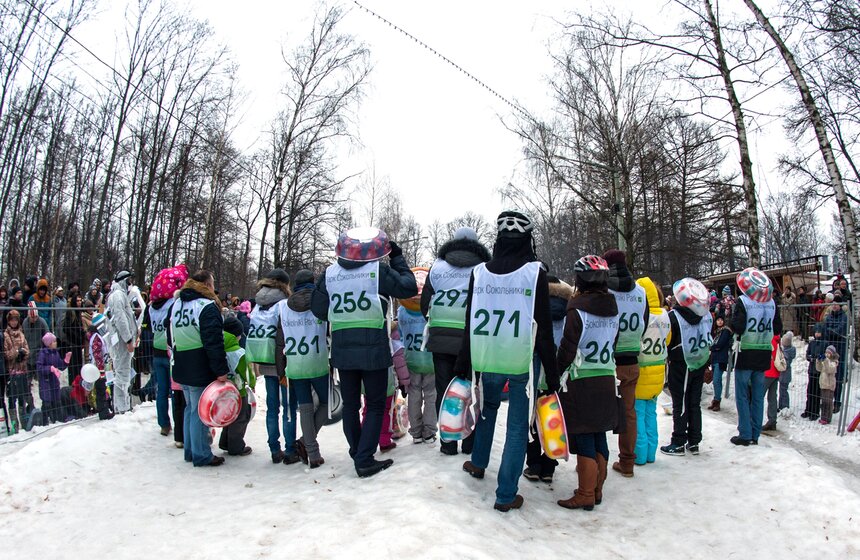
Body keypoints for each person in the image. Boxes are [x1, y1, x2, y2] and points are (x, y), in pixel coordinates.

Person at [454, 210, 559, 512]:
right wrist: (551, 375)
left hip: (488, 356)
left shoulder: (480, 272)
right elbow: (544, 327)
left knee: (487, 409)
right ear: (527, 239)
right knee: (516, 426)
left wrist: (464, 362)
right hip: (522, 360)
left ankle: (477, 462)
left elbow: (469, 320)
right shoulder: (534, 272)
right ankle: (505, 494)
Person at [312, 227, 418, 478]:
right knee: (375, 404)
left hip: (342, 349)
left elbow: (317, 308)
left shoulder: (329, 274)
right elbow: (409, 287)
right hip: (374, 349)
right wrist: (397, 259)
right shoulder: (377, 271)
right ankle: (364, 458)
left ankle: (357, 450)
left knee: (350, 404)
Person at [556, 255, 619, 511]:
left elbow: (568, 347)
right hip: (605, 377)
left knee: (583, 435)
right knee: (599, 433)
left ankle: (584, 494)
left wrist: (554, 373)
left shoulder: (577, 309)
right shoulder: (613, 309)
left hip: (582, 380)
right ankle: (597, 489)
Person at [421, 226, 490, 456]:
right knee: (470, 390)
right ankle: (469, 442)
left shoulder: (437, 267)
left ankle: (448, 442)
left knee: (443, 389)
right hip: (471, 339)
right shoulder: (483, 268)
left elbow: (425, 303)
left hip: (441, 338)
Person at [168, 269, 229, 467]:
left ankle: (190, 450)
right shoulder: (206, 306)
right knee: (199, 411)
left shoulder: (177, 304)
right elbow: (213, 341)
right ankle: (202, 453)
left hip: (180, 361)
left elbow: (170, 335)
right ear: (207, 285)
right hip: (199, 364)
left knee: (189, 408)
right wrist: (220, 369)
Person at [603, 249, 648, 477]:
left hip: (605, 360)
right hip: (631, 358)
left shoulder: (603, 288)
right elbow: (644, 321)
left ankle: (595, 463)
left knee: (599, 411)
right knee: (629, 412)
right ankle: (627, 462)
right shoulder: (640, 292)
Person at [279, 269, 330, 468]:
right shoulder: (320, 303)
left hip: (295, 363)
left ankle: (312, 452)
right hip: (317, 361)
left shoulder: (284, 307)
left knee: (306, 408)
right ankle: (306, 443)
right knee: (327, 404)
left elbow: (279, 340)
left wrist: (281, 368)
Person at [524, 274, 573, 483]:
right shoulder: (568, 312)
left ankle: (533, 464)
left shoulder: (533, 307)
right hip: (557, 374)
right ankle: (549, 465)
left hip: (534, 371)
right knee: (553, 417)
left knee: (532, 417)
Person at [250, 268, 299, 465]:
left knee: (272, 407)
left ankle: (274, 449)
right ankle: (289, 450)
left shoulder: (257, 303)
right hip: (283, 362)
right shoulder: (284, 304)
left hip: (264, 358)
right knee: (288, 407)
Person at [660, 278, 712, 456]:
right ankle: (694, 441)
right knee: (694, 403)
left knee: (680, 403)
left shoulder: (674, 317)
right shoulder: (706, 315)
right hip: (700, 360)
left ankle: (679, 441)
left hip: (681, 363)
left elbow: (667, 341)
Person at [730, 268, 782, 446]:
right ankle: (755, 433)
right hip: (763, 353)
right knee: (758, 396)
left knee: (743, 395)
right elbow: (778, 327)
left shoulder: (743, 302)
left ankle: (744, 433)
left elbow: (737, 326)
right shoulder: (772, 303)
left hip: (746, 352)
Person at [147, 264, 189, 436]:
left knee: (162, 390)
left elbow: (148, 327)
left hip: (156, 351)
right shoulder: (174, 303)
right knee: (177, 391)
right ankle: (180, 424)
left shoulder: (150, 306)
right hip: (171, 351)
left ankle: (164, 423)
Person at [633, 277, 669, 465]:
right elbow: (667, 340)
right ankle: (651, 453)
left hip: (642, 371)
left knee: (638, 413)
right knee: (651, 414)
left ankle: (639, 453)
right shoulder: (665, 315)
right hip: (658, 370)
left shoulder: (641, 317)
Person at [398, 276, 437, 445]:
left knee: (413, 394)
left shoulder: (401, 311)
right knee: (431, 395)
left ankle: (416, 433)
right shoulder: (430, 310)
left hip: (410, 359)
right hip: (430, 359)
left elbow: (399, 334)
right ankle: (429, 432)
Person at [219, 315, 254, 456]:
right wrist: (252, 383)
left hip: (222, 391)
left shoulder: (219, 347)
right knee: (240, 418)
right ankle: (236, 446)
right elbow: (246, 372)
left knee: (228, 416)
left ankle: (224, 442)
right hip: (238, 391)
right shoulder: (238, 353)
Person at [105, 271, 138, 414]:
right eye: (129, 280)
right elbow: (120, 319)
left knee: (123, 373)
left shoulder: (119, 295)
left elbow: (127, 317)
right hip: (121, 343)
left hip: (122, 341)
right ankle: (121, 408)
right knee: (122, 374)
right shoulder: (117, 296)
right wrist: (128, 339)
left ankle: (123, 405)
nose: (130, 284)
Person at [4, 310, 33, 432]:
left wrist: (23, 353)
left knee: (22, 397)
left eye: (16, 319)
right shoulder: (5, 335)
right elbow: (5, 353)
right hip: (12, 371)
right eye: (12, 320)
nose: (14, 322)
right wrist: (16, 353)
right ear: (8, 321)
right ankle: (14, 425)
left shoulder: (21, 334)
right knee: (12, 398)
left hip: (22, 370)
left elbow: (27, 349)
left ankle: (24, 423)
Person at [36, 332, 69, 423]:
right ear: (49, 344)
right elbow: (39, 367)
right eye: (54, 341)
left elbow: (60, 365)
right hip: (45, 382)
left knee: (56, 401)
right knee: (47, 403)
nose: (56, 343)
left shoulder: (55, 353)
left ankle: (57, 420)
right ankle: (45, 422)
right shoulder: (43, 353)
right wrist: (49, 369)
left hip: (54, 381)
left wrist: (66, 361)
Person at [823, 297, 848, 414]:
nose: (834, 306)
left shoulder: (844, 316)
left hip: (840, 350)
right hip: (830, 348)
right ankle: (828, 401)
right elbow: (825, 330)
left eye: (837, 304)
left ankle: (837, 402)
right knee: (829, 374)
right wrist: (831, 331)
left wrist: (831, 330)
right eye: (833, 304)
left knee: (837, 376)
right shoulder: (829, 316)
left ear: (840, 305)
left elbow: (840, 330)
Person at [802, 324, 826, 421]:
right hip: (811, 370)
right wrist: (810, 357)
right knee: (810, 391)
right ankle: (808, 410)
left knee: (816, 392)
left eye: (819, 332)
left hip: (819, 371)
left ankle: (815, 412)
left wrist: (820, 357)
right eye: (816, 332)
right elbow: (807, 354)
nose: (817, 334)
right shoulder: (812, 343)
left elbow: (826, 355)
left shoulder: (825, 343)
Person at [61, 294, 86, 386]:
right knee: (73, 367)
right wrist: (76, 336)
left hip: (78, 344)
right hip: (71, 343)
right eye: (77, 301)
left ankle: (78, 385)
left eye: (80, 300)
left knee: (79, 366)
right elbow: (66, 328)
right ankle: (72, 386)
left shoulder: (79, 312)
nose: (79, 302)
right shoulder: (70, 312)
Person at [709, 316, 732, 411]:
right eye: (718, 320)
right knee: (716, 381)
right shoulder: (715, 332)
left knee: (716, 380)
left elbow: (720, 344)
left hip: (720, 359)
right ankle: (715, 399)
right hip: (714, 358)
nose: (719, 321)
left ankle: (717, 400)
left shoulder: (725, 331)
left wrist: (712, 347)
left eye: (721, 320)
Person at [22, 303, 48, 382]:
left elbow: (47, 336)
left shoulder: (42, 322)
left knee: (40, 379)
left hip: (39, 353)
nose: (34, 319)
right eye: (32, 317)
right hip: (28, 354)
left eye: (36, 317)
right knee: (28, 380)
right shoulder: (25, 322)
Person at [761, 335, 782, 432]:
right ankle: (772, 421)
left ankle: (755, 420)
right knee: (772, 397)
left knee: (758, 397)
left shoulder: (769, 340)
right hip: (776, 373)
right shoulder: (778, 341)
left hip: (767, 372)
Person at [817, 346, 838, 425]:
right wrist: (818, 361)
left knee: (828, 402)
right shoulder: (826, 361)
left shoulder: (834, 362)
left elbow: (830, 370)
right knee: (824, 401)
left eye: (828, 353)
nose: (827, 354)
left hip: (829, 385)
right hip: (823, 384)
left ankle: (828, 418)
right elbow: (819, 369)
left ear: (832, 354)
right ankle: (823, 417)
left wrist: (825, 360)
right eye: (826, 353)